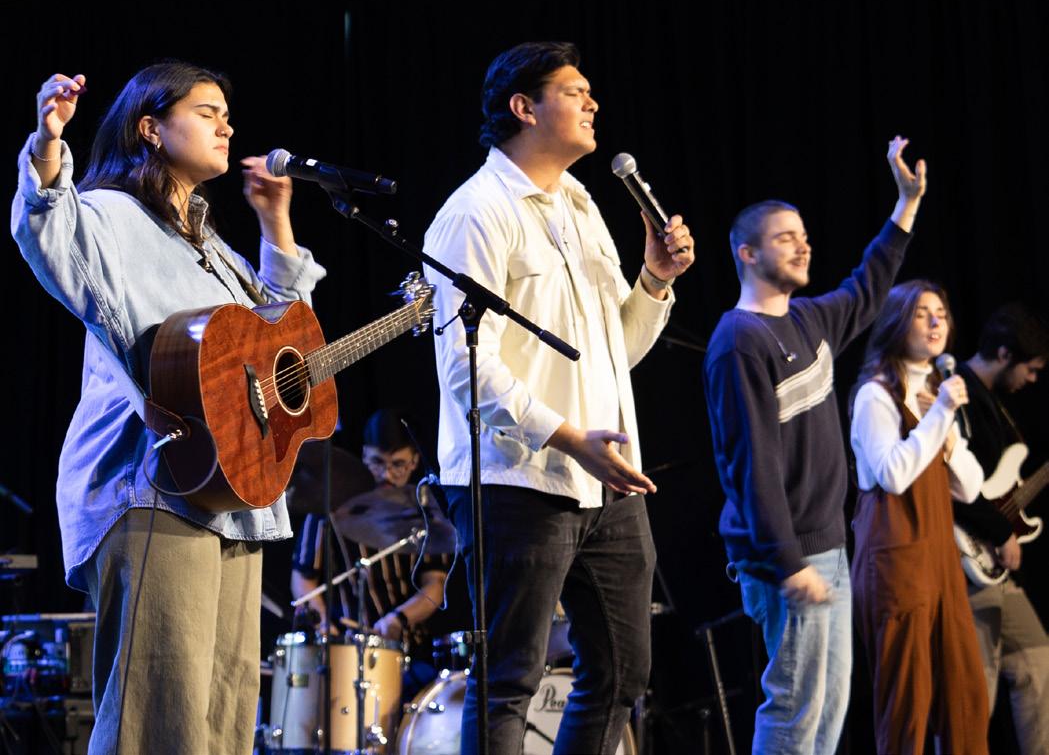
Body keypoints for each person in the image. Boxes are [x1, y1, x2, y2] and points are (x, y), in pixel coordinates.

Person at [11, 65, 326, 755]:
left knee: (221, 718)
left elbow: (283, 340)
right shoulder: (112, 215)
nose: (227, 126)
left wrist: (276, 223)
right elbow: (48, 229)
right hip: (153, 484)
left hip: (233, 495)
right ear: (151, 128)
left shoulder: (210, 245)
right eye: (207, 111)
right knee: (159, 721)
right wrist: (48, 141)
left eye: (228, 114)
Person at [423, 41, 695, 754]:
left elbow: (614, 354)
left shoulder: (580, 203)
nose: (592, 103)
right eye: (575, 92)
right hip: (517, 480)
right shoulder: (475, 212)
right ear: (524, 107)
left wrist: (654, 281)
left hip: (604, 478)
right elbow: (466, 370)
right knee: (509, 680)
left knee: (623, 673)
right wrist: (569, 437)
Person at [703, 136, 925, 755]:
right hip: (788, 559)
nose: (803, 245)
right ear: (747, 254)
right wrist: (787, 562)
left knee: (828, 711)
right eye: (785, 238)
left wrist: (905, 205)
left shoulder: (810, 320)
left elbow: (869, 285)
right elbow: (751, 467)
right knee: (796, 711)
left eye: (803, 235)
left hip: (828, 548)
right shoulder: (740, 341)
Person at [849, 280, 988, 754]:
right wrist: (940, 414)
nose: (934, 322)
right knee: (907, 706)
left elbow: (970, 486)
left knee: (966, 698)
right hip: (898, 563)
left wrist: (946, 435)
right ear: (897, 323)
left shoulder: (935, 393)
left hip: (941, 562)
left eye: (941, 313)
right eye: (921, 313)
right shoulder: (876, 395)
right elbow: (892, 474)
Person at [290, 409, 451, 697]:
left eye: (398, 464)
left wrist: (398, 619)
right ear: (364, 456)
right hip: (345, 651)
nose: (387, 474)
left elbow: (435, 587)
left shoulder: (424, 516)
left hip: (408, 651)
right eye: (377, 462)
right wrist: (324, 624)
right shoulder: (330, 510)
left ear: (414, 461)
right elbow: (303, 580)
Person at [952, 303, 1049, 754]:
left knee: (1038, 663)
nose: (1032, 379)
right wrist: (1000, 531)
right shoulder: (956, 392)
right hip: (966, 561)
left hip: (996, 569)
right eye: (1031, 369)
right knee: (975, 693)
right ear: (1005, 353)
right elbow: (950, 482)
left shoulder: (995, 404)